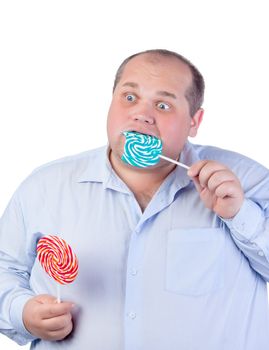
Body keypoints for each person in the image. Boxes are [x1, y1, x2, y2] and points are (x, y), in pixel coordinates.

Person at [0, 49, 269, 350]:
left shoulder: (248, 180)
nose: (142, 113)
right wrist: (22, 312)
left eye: (163, 104)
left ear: (195, 120)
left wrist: (240, 214)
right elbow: (4, 268)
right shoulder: (45, 187)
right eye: (129, 97)